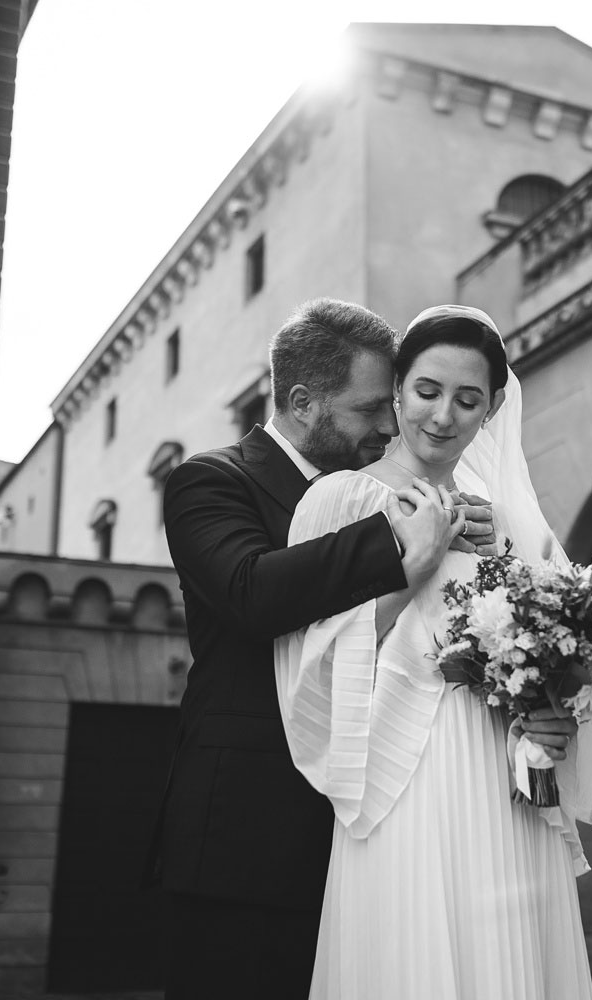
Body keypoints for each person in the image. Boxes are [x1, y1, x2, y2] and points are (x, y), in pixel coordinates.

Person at [275, 305, 592, 1000]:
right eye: (427, 391)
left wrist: (548, 711)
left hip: (506, 785)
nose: (443, 416)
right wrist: (415, 558)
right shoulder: (336, 499)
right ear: (396, 392)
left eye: (467, 399)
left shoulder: (498, 518)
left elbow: (548, 649)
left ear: (491, 409)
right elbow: (312, 665)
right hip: (406, 779)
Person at [158, 298, 526, 999]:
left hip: (373, 835)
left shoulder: (434, 501)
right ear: (303, 402)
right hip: (247, 833)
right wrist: (401, 537)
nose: (390, 424)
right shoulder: (213, 481)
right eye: (368, 409)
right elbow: (250, 594)